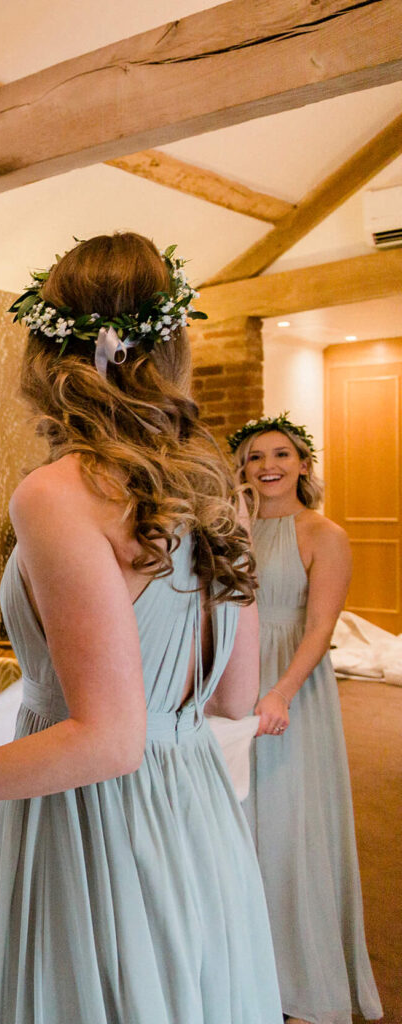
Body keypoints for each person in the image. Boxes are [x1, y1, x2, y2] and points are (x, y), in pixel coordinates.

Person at [0, 234, 281, 1023]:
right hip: (198, 814)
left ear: (46, 348)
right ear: (170, 348)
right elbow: (235, 696)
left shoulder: (57, 494)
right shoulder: (214, 491)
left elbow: (107, 740)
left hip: (102, 823)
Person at [231, 414, 382, 1024]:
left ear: (302, 464)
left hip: (291, 685)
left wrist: (283, 692)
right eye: (256, 456)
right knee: (236, 822)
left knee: (290, 823)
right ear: (241, 469)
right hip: (233, 680)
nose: (269, 465)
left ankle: (300, 982)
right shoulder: (229, 531)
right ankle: (243, 971)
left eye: (282, 454)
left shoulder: (324, 533)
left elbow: (321, 627)